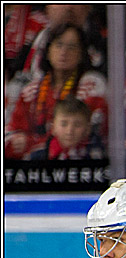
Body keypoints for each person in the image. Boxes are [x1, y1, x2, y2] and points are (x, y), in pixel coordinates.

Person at [5, 22, 107, 159]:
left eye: (71, 47)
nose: (64, 52)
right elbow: (11, 130)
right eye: (59, 45)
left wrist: (31, 143)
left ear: (81, 53)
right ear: (48, 51)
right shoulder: (31, 91)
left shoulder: (91, 85)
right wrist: (16, 140)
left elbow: (82, 136)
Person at [27, 96, 101, 160]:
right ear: (53, 128)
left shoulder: (96, 156)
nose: (69, 131)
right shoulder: (37, 156)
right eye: (64, 124)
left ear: (87, 129)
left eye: (77, 125)